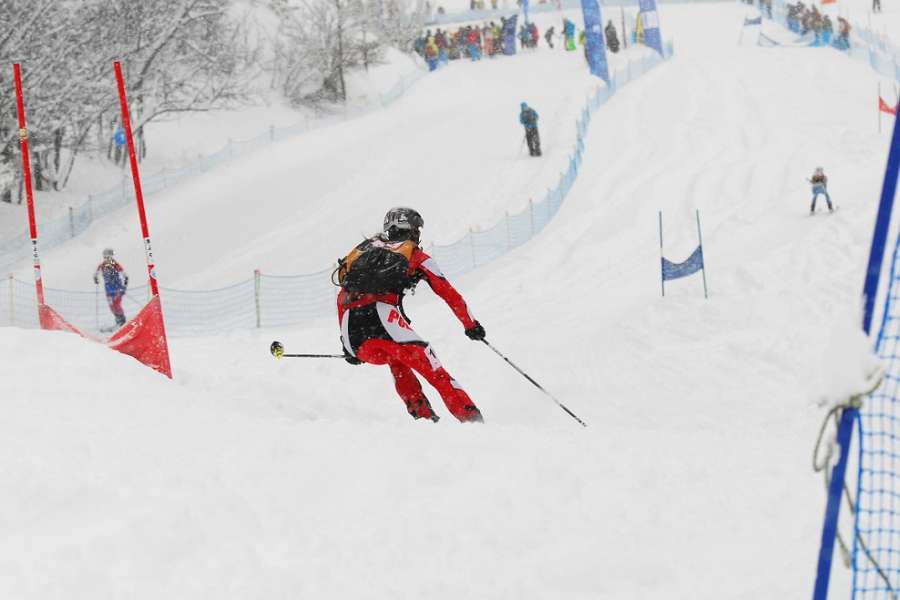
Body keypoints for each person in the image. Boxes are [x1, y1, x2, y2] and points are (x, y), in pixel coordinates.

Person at [335, 208, 486, 423]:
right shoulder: (414, 255)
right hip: (382, 318)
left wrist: (348, 344)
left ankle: (423, 417)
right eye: (417, 230)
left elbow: (342, 296)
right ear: (412, 230)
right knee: (431, 365)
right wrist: (471, 325)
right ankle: (471, 419)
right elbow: (448, 293)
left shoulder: (365, 250)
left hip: (353, 332)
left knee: (397, 359)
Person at [93, 248, 129, 328]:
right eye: (105, 257)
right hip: (108, 290)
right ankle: (118, 321)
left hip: (117, 289)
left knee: (117, 305)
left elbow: (125, 276)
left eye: (108, 257)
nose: (107, 259)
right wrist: (95, 278)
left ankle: (122, 321)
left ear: (111, 257)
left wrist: (124, 287)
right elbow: (96, 274)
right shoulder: (102, 265)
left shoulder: (116, 265)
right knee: (111, 307)